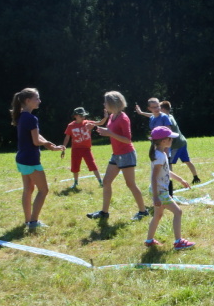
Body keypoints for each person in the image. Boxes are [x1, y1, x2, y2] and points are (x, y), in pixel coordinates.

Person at [87, 91, 150, 221]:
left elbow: (127, 139)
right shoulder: (112, 116)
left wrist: (109, 133)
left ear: (112, 103)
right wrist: (101, 129)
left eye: (106, 102)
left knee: (130, 184)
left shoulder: (123, 118)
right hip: (116, 154)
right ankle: (104, 212)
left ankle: (143, 211)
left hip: (126, 154)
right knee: (106, 182)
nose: (104, 104)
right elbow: (111, 132)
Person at [10, 88, 65, 229]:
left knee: (28, 189)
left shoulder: (22, 116)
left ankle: (28, 221)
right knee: (43, 190)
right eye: (37, 98)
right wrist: (47, 144)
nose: (39, 101)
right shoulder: (31, 118)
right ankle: (33, 222)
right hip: (30, 160)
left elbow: (37, 136)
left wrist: (48, 144)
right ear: (28, 101)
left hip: (22, 158)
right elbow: (36, 141)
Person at [144, 126, 195, 250]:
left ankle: (149, 240)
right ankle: (178, 242)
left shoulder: (160, 153)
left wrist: (180, 180)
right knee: (178, 212)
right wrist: (156, 196)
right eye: (170, 138)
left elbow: (166, 171)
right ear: (163, 141)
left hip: (158, 191)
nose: (172, 140)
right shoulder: (160, 156)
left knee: (158, 215)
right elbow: (154, 177)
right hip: (160, 192)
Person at [61, 107, 105, 188]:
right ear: (75, 116)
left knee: (92, 164)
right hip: (76, 149)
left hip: (86, 149)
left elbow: (100, 123)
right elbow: (67, 137)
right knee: (75, 166)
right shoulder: (71, 126)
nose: (83, 117)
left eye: (84, 116)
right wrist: (64, 147)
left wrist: (105, 117)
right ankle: (75, 183)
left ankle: (100, 181)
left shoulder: (87, 123)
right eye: (81, 116)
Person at [159, 101, 201, 184]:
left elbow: (169, 133)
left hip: (177, 144)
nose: (158, 111)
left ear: (163, 109)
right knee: (187, 161)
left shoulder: (167, 119)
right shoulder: (170, 116)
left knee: (169, 162)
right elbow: (154, 115)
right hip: (183, 141)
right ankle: (196, 177)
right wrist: (142, 113)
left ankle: (169, 182)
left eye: (159, 109)